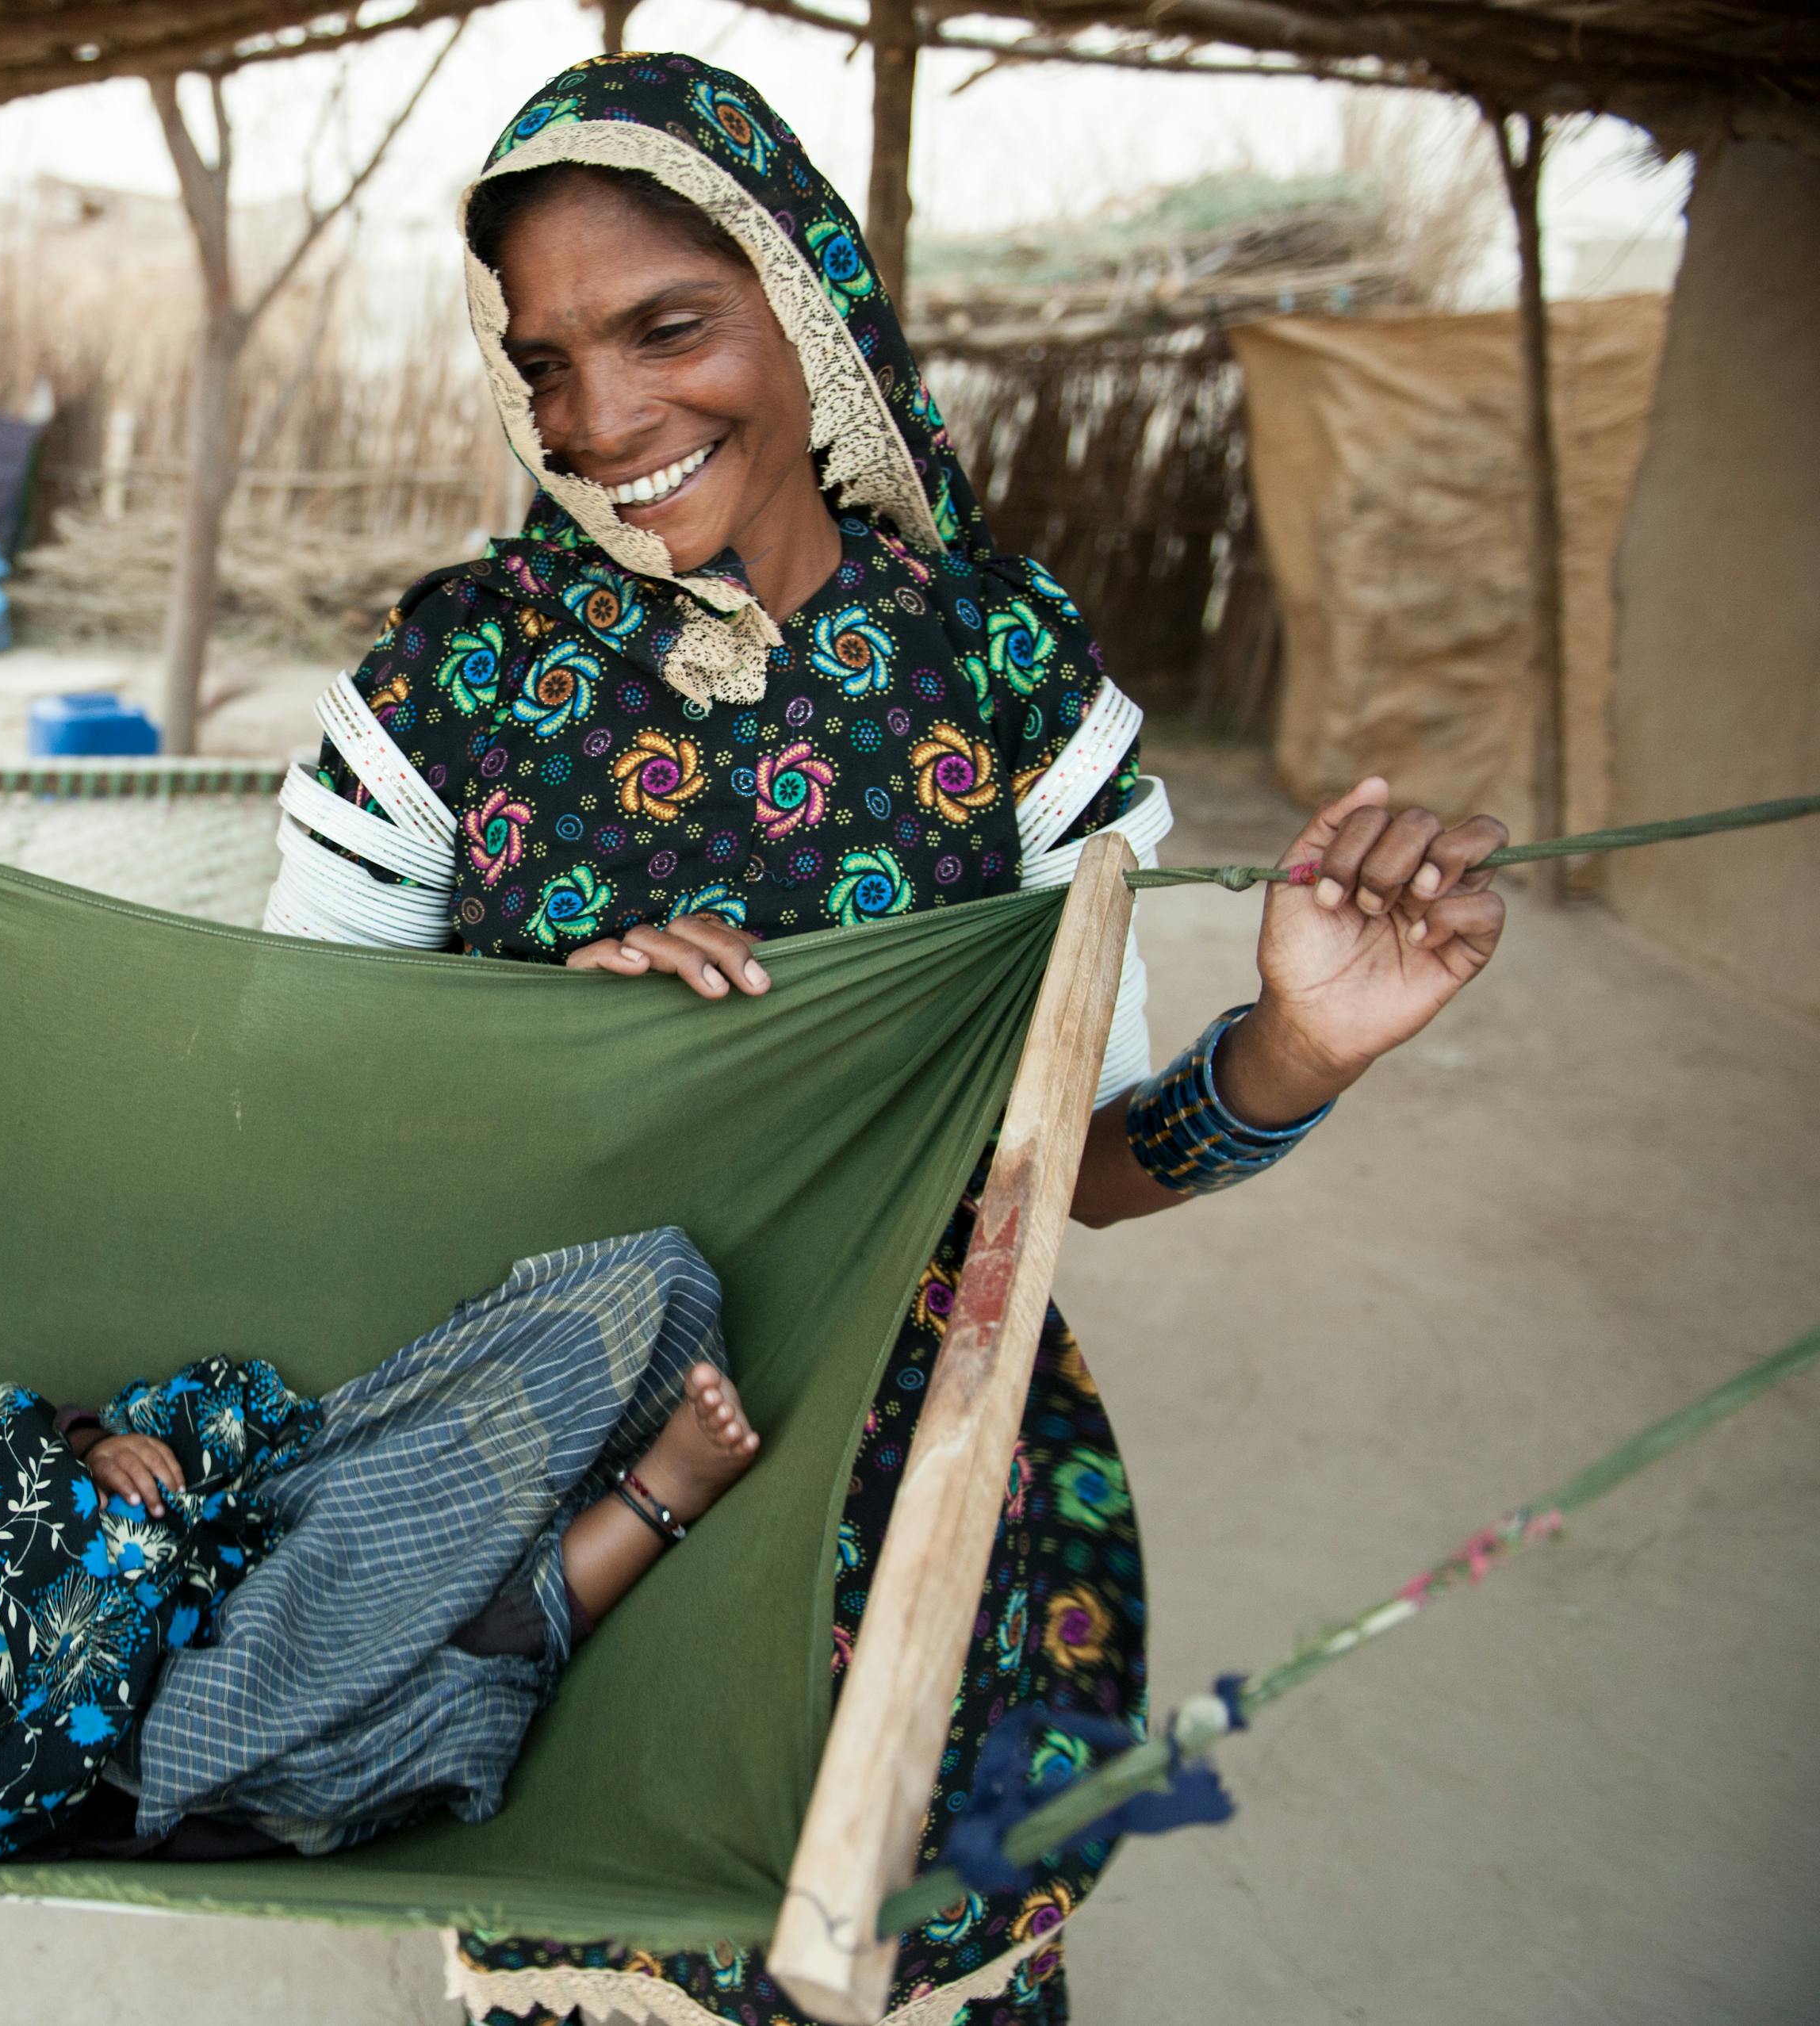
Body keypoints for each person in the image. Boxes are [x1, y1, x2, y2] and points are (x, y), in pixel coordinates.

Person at [263, 54, 1508, 2026]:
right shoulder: (446, 690)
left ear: (807, 295)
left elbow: (1083, 1167)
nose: (607, 419)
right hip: (557, 1502)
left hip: (935, 1501)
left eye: (670, 328)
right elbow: (294, 1115)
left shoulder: (1006, 674)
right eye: (553, 361)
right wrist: (542, 1065)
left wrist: (1303, 1050)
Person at [0, 1227, 761, 1863]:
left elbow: (14, 1472)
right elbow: (0, 1824)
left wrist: (96, 1449)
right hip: (190, 1729)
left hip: (225, 1545)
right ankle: (655, 1501)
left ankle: (545, 1430)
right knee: (443, 1649)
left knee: (357, 1471)